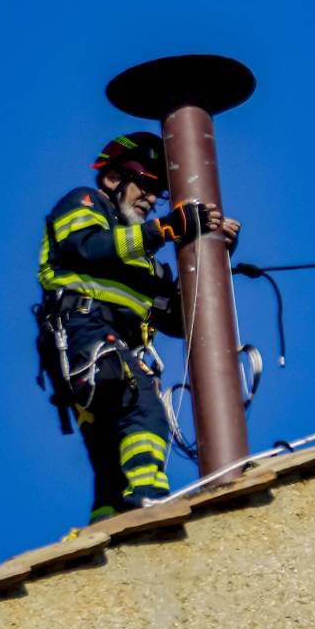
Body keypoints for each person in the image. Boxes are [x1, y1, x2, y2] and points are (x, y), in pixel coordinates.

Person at [34, 131, 241, 523]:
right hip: (84, 330)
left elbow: (182, 320)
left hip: (100, 350)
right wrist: (164, 230)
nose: (151, 198)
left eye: (158, 191)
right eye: (146, 185)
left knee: (110, 454)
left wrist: (218, 254)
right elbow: (86, 247)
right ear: (113, 180)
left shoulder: (146, 265)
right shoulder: (86, 201)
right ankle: (149, 500)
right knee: (143, 408)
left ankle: (109, 525)